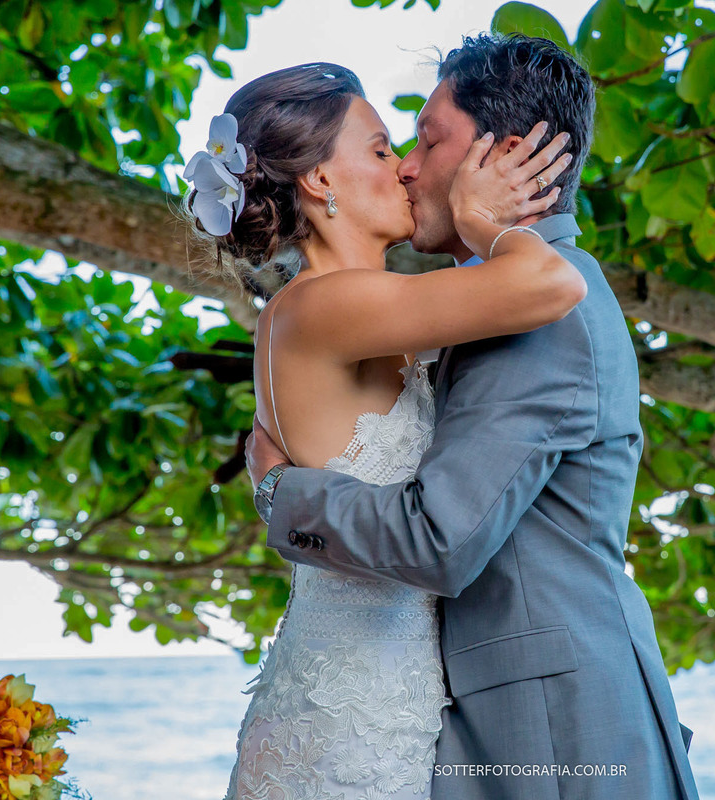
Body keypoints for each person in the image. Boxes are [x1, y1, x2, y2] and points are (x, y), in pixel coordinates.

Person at [246, 35, 700, 800]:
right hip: (427, 711)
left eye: (425, 140)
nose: (409, 166)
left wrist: (279, 494)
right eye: (394, 145)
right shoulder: (462, 302)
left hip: (552, 720)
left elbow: (437, 539)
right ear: (319, 178)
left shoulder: (543, 298)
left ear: (507, 152)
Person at [183, 62, 581, 800]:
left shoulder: (344, 310)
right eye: (378, 150)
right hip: (348, 719)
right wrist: (482, 220)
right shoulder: (328, 305)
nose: (402, 168)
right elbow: (552, 285)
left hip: (373, 698)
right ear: (320, 183)